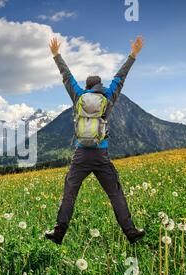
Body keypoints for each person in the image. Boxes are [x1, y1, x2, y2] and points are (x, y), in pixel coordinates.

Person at [45, 36, 146, 245]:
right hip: (101, 154)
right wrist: (133, 54)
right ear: (99, 86)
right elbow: (121, 76)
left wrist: (56, 55)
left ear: (87, 86)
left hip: (81, 154)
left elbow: (66, 76)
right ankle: (130, 232)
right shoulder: (108, 97)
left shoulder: (79, 96)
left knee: (69, 194)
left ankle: (58, 232)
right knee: (115, 194)